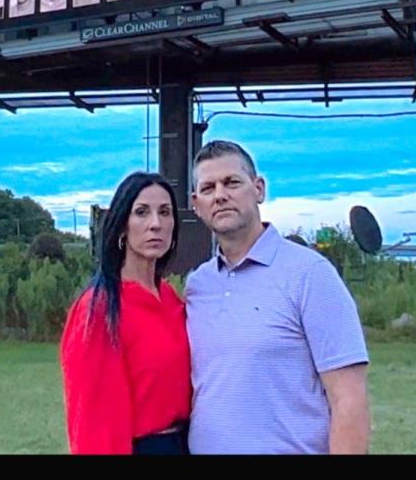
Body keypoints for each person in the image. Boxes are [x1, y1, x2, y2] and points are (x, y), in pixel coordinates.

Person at [185, 140, 371, 454]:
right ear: (196, 203)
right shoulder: (198, 285)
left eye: (232, 182)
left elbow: (349, 399)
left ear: (258, 189)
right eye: (208, 188)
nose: (220, 195)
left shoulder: (310, 274)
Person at [60, 172, 191, 454]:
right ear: (122, 226)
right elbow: (93, 424)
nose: (155, 224)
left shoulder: (170, 298)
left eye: (165, 212)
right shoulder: (99, 309)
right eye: (141, 212)